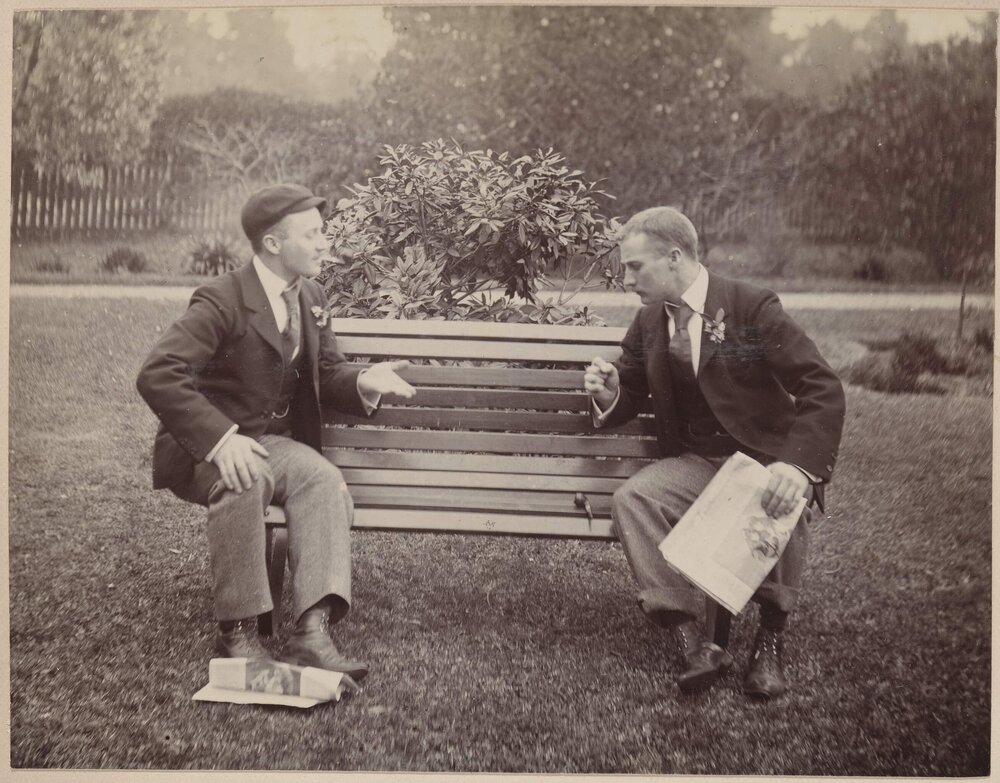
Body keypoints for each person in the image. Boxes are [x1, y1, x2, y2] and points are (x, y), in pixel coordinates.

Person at [136, 184, 415, 682]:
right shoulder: (223, 299)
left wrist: (363, 380)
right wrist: (222, 440)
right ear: (272, 243)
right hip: (206, 450)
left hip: (273, 443)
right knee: (247, 475)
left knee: (323, 481)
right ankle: (237, 634)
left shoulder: (310, 295)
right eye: (313, 234)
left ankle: (312, 632)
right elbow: (159, 373)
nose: (325, 243)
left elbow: (327, 371)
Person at [584, 206, 845, 699]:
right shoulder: (647, 322)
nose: (626, 278)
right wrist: (608, 390)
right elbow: (631, 389)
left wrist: (797, 466)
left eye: (635, 266)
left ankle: (770, 639)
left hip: (764, 459)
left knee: (780, 495)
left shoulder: (750, 307)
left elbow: (821, 386)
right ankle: (696, 642)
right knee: (634, 500)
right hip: (698, 463)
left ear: (675, 257)